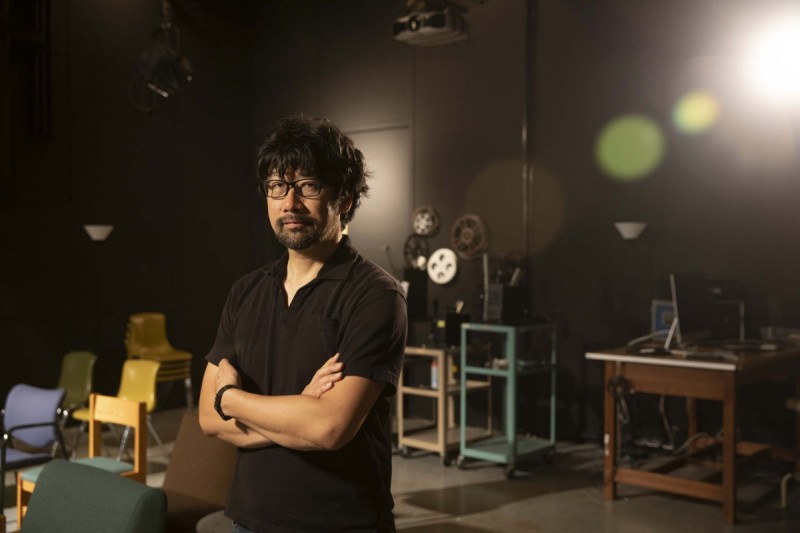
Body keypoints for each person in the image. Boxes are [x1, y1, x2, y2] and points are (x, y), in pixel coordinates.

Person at [199, 115, 408, 533]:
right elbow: (207, 416)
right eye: (277, 186)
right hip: (248, 519)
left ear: (344, 198)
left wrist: (232, 398)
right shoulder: (246, 291)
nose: (289, 203)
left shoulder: (375, 296)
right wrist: (299, 409)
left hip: (339, 524)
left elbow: (329, 428)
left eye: (308, 186)